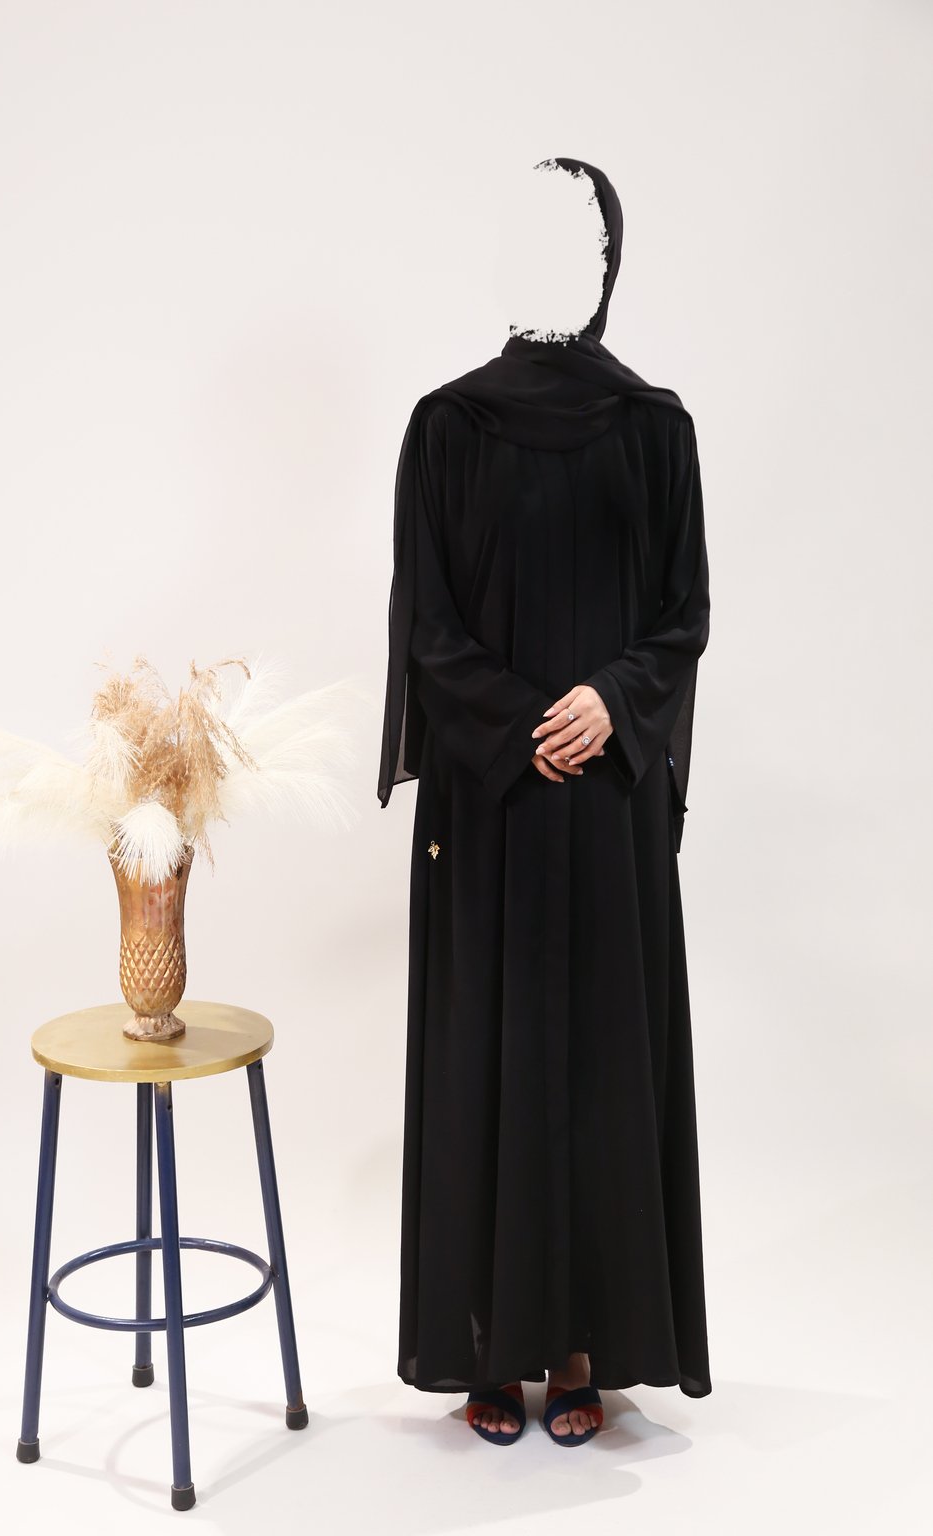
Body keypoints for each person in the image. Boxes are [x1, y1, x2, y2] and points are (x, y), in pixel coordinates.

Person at [377, 157, 712, 1446]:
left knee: (598, 1075)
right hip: (491, 809)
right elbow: (428, 626)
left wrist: (613, 702)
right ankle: (488, 1344)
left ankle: (579, 1350)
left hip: (606, 815)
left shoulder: (657, 430)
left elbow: (682, 615)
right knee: (486, 1063)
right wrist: (526, 722)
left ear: (610, 264)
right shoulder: (445, 428)